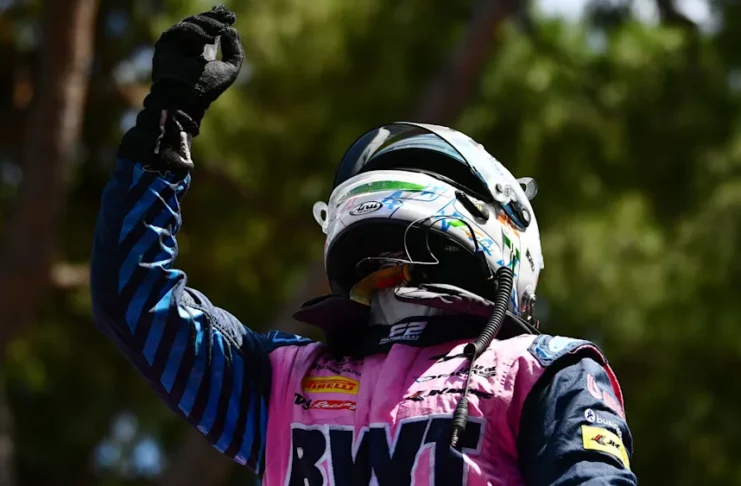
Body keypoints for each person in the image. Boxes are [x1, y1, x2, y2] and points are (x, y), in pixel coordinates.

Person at [91, 5, 638, 485]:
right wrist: (169, 122)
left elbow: (132, 295)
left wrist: (166, 126)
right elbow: (132, 299)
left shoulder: (281, 382)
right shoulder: (541, 369)